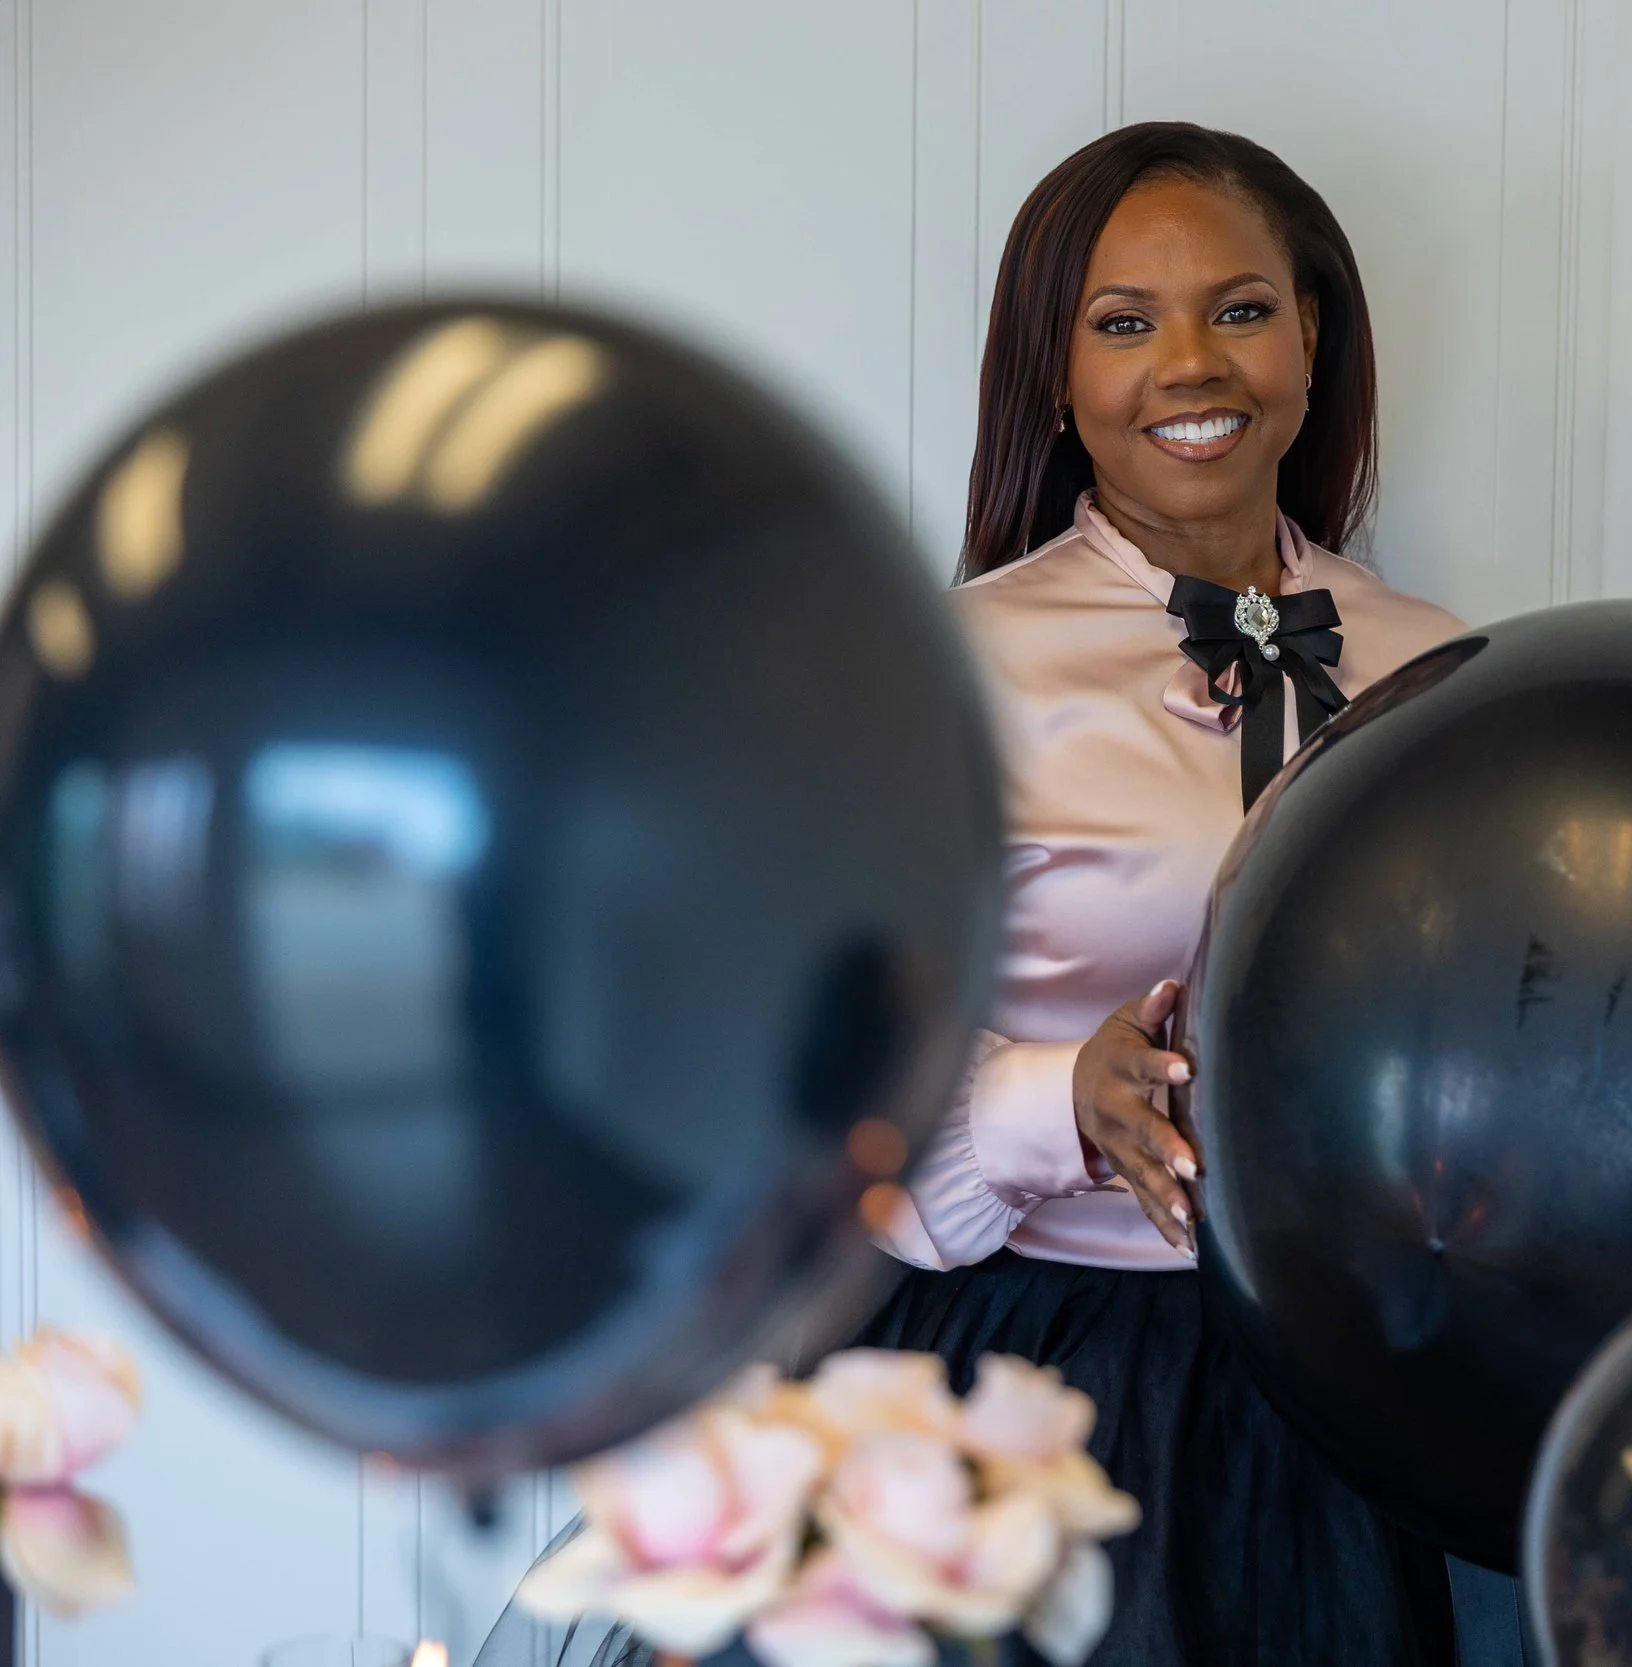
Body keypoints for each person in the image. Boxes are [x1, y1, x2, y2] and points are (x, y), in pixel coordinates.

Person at [478, 121, 1478, 1667]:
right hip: (1045, 1379)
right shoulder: (932, 673)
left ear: (1312, 334)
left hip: (1366, 1402)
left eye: (1241, 308)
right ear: (1056, 376)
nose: (1192, 365)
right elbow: (796, 1084)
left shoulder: (1445, 663)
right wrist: (1050, 1097)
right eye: (1125, 323)